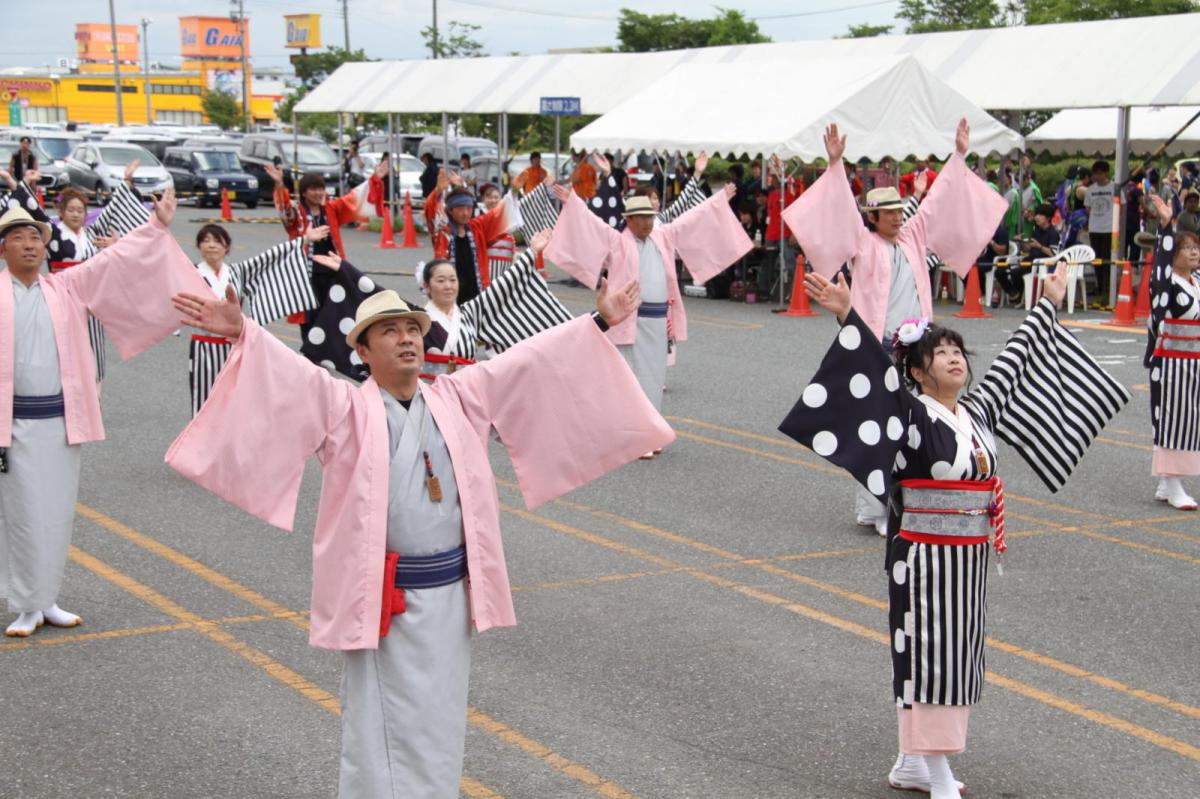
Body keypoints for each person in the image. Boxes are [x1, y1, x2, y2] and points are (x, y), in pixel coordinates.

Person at [166, 258, 672, 799]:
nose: (406, 339)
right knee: (379, 724)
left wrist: (595, 323)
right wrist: (243, 330)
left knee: (441, 716)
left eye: (412, 329)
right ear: (362, 351)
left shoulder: (459, 396)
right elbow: (290, 375)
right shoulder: (343, 408)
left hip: (450, 592)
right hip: (385, 596)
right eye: (389, 331)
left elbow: (529, 363)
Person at [787, 267, 1129, 799]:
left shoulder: (977, 413)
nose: (954, 358)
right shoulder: (908, 412)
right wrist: (845, 314)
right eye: (939, 352)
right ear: (918, 372)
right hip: (923, 556)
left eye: (959, 351)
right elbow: (874, 369)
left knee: (958, 657)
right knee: (929, 656)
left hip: (969, 558)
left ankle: (911, 761)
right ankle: (939, 771)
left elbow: (1016, 360)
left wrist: (1048, 303)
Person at [0, 190, 212, 637]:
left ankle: (49, 599)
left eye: (35, 238)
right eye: (18, 238)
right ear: (4, 248)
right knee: (20, 516)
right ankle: (25, 605)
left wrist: (156, 228)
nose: (30, 245)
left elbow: (115, 263)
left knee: (56, 512)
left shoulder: (65, 286)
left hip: (58, 422)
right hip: (11, 425)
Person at [783, 119, 1007, 534]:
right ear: (873, 217)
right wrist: (835, 165)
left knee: (914, 427)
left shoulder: (913, 236)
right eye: (889, 213)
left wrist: (957, 156)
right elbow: (841, 214)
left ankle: (905, 503)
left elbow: (938, 202)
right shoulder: (862, 242)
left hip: (917, 348)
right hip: (877, 345)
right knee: (876, 425)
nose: (899, 218)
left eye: (900, 211)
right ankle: (876, 507)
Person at [547, 178, 751, 459]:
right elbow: (589, 224)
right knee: (630, 379)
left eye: (650, 217)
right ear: (629, 220)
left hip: (657, 320)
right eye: (641, 217)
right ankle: (632, 437)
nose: (646, 222)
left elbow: (692, 220)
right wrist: (572, 202)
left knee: (654, 378)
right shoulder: (617, 241)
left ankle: (649, 433)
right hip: (629, 319)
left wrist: (719, 202)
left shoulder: (663, 237)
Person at [4, 162, 150, 382]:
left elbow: (115, 207)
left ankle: (94, 398)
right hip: (62, 299)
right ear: (61, 212)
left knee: (93, 357)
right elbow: (33, 208)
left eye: (80, 210)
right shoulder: (52, 233)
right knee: (62, 351)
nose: (75, 214)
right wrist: (24, 183)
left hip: (91, 301)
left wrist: (127, 180)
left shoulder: (93, 233)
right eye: (70, 210)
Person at [186, 223, 320, 415]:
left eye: (217, 240)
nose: (211, 245)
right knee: (205, 402)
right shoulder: (191, 272)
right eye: (205, 241)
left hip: (235, 346)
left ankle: (236, 441)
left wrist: (304, 240)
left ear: (227, 248)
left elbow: (269, 258)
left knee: (238, 400)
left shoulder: (237, 271)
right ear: (199, 247)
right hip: (204, 346)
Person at [417, 228, 571, 373]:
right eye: (441, 280)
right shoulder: (419, 320)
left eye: (452, 280)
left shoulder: (469, 313)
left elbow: (501, 287)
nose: (448, 286)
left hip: (464, 388)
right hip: (432, 391)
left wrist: (532, 252)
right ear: (427, 285)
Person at [1143, 193, 1200, 509]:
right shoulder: (1165, 284)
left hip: (1194, 362)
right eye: (1187, 248)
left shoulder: (1197, 280)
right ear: (1174, 254)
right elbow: (1161, 262)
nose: (1194, 253)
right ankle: (1175, 483)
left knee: (1189, 422)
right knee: (1173, 421)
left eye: (1196, 248)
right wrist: (1167, 225)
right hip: (1170, 363)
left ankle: (1167, 482)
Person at [1083, 160, 1116, 306]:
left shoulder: (1114, 187)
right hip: (1094, 228)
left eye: (1100, 173)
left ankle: (1108, 289)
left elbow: (1120, 207)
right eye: (1095, 173)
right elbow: (1088, 208)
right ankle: (1100, 286)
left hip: (1109, 229)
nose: (1097, 176)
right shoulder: (1090, 189)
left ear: (1106, 173)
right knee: (1097, 260)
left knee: (1108, 260)